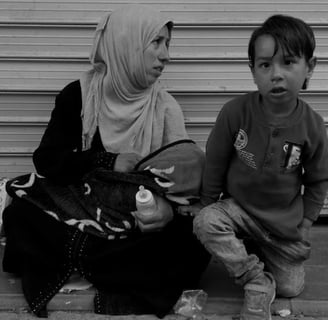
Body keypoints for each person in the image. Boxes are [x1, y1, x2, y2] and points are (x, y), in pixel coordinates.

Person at [2, 4, 210, 318]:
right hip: (79, 208)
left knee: (192, 242)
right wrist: (106, 160)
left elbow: (182, 183)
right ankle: (111, 268)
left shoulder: (166, 109)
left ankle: (78, 261)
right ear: (125, 44)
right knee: (21, 213)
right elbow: (47, 161)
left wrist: (167, 211)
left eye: (168, 44)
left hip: (134, 224)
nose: (166, 55)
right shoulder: (80, 96)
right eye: (156, 43)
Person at [179, 14, 328, 320]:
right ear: (253, 71)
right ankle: (255, 278)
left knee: (290, 287)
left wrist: (305, 225)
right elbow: (216, 162)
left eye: (288, 62)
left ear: (309, 68)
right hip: (239, 210)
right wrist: (207, 203)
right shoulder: (235, 113)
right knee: (205, 222)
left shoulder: (313, 127)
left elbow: (318, 180)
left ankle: (260, 258)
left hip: (281, 225)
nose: (276, 74)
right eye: (265, 65)